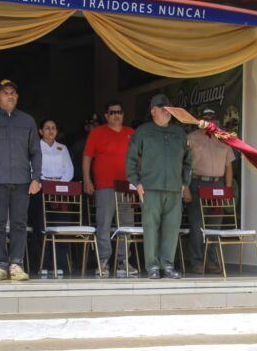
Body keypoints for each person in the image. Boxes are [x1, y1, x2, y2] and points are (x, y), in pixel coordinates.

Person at [0, 80, 41, 282]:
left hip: (22, 181)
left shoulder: (27, 121)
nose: (10, 96)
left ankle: (17, 264)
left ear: (17, 97)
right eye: (5, 93)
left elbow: (35, 152)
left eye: (13, 93)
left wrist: (36, 177)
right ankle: (0, 265)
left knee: (20, 224)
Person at [125, 94, 191, 280]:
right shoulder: (142, 132)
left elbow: (188, 161)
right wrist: (137, 183)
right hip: (150, 188)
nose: (165, 110)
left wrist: (184, 183)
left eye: (168, 107)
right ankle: (153, 266)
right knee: (151, 228)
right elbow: (130, 160)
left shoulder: (179, 133)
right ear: (152, 111)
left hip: (173, 189)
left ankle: (168, 265)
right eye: (161, 107)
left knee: (171, 228)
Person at [83, 101, 136, 278]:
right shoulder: (97, 133)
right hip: (104, 186)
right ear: (106, 116)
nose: (116, 115)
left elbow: (140, 158)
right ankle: (103, 261)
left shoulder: (131, 133)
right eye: (112, 112)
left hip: (126, 187)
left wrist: (138, 181)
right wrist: (87, 180)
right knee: (104, 225)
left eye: (119, 112)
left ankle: (123, 262)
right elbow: (87, 157)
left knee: (126, 225)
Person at [186, 108, 235, 274]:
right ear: (199, 120)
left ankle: (211, 261)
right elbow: (183, 165)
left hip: (218, 185)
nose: (209, 121)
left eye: (212, 118)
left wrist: (228, 190)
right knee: (197, 225)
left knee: (215, 225)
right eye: (205, 118)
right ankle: (196, 262)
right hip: (197, 183)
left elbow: (229, 166)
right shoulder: (191, 138)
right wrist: (185, 187)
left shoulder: (223, 138)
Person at [31, 118, 73, 276]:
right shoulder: (35, 147)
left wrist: (59, 186)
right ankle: (42, 264)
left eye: (53, 128)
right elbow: (32, 167)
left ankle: (59, 263)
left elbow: (69, 170)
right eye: (47, 128)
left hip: (60, 192)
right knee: (41, 228)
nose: (50, 131)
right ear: (40, 131)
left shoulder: (62, 148)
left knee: (59, 227)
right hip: (41, 189)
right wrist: (43, 184)